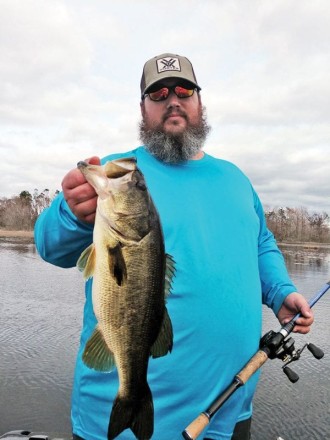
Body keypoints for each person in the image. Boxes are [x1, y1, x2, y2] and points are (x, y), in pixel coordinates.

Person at [34, 53, 314, 440]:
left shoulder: (235, 179)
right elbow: (49, 246)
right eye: (158, 93)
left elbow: (261, 242)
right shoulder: (117, 174)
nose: (173, 99)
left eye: (184, 90)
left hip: (228, 409)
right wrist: (70, 213)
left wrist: (280, 291)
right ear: (142, 108)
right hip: (119, 423)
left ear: (200, 102)